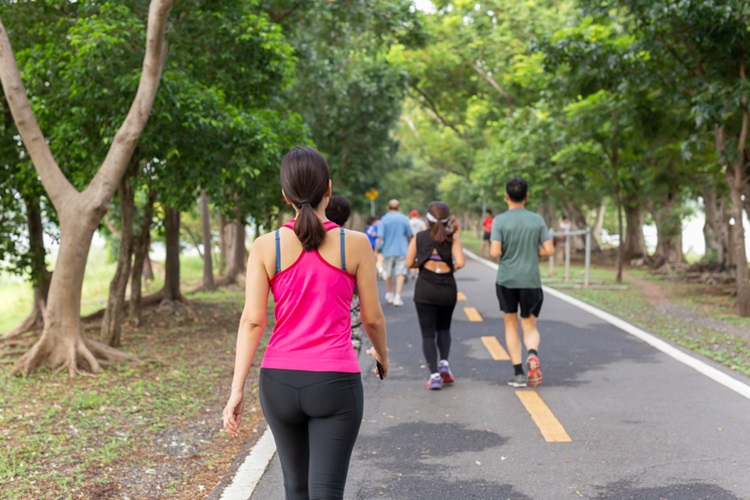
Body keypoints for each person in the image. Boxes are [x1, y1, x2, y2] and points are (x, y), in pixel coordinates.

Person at [222, 146, 389, 500]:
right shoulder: (355, 244)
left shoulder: (266, 246)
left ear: (285, 195)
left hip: (278, 383)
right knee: (326, 492)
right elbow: (372, 317)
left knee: (295, 490)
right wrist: (382, 356)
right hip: (335, 383)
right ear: (328, 188)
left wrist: (236, 389)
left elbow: (253, 321)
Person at [490, 177, 554, 388]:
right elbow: (549, 250)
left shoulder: (499, 221)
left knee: (511, 323)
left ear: (506, 196)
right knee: (529, 325)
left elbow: (495, 252)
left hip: (507, 279)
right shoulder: (537, 220)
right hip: (531, 280)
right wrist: (532, 250)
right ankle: (532, 354)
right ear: (527, 196)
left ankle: (518, 374)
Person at [406, 202, 465, 390]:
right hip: (447, 289)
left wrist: (423, 264)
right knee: (444, 328)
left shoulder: (419, 238)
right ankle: (444, 363)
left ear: (427, 219)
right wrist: (449, 268)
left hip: (425, 290)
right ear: (448, 219)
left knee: (428, 334)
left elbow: (409, 263)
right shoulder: (453, 239)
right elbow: (461, 263)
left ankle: (434, 376)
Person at [326, 195, 363, 352]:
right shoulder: (355, 242)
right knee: (352, 338)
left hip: (320, 300)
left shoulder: (309, 239)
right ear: (347, 216)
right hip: (350, 300)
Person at [376, 199, 413, 306]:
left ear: (388, 207)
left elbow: (380, 237)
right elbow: (410, 235)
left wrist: (375, 251)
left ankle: (390, 294)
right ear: (399, 207)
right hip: (402, 251)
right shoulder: (403, 219)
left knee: (388, 273)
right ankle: (397, 297)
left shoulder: (384, 219)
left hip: (388, 251)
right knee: (400, 274)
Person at [407, 210, 427, 280]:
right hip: (420, 241)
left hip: (410, 241)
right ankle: (418, 272)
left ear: (411, 215)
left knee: (411, 257)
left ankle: (412, 273)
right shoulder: (421, 222)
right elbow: (425, 230)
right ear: (417, 215)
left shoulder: (408, 222)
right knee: (419, 256)